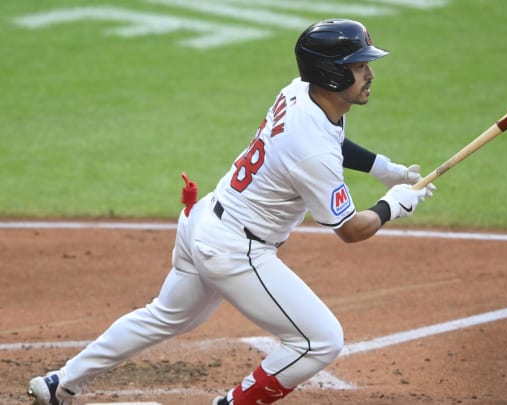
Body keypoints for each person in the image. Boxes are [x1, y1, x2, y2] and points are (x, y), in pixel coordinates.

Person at [27, 18, 435, 405]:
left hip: (203, 222)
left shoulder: (300, 92)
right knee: (320, 340)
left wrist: (385, 169)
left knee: (165, 316)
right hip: (236, 250)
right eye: (359, 66)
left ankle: (59, 383)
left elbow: (333, 140)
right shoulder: (311, 151)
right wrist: (393, 205)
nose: (369, 74)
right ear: (332, 74)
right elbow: (350, 229)